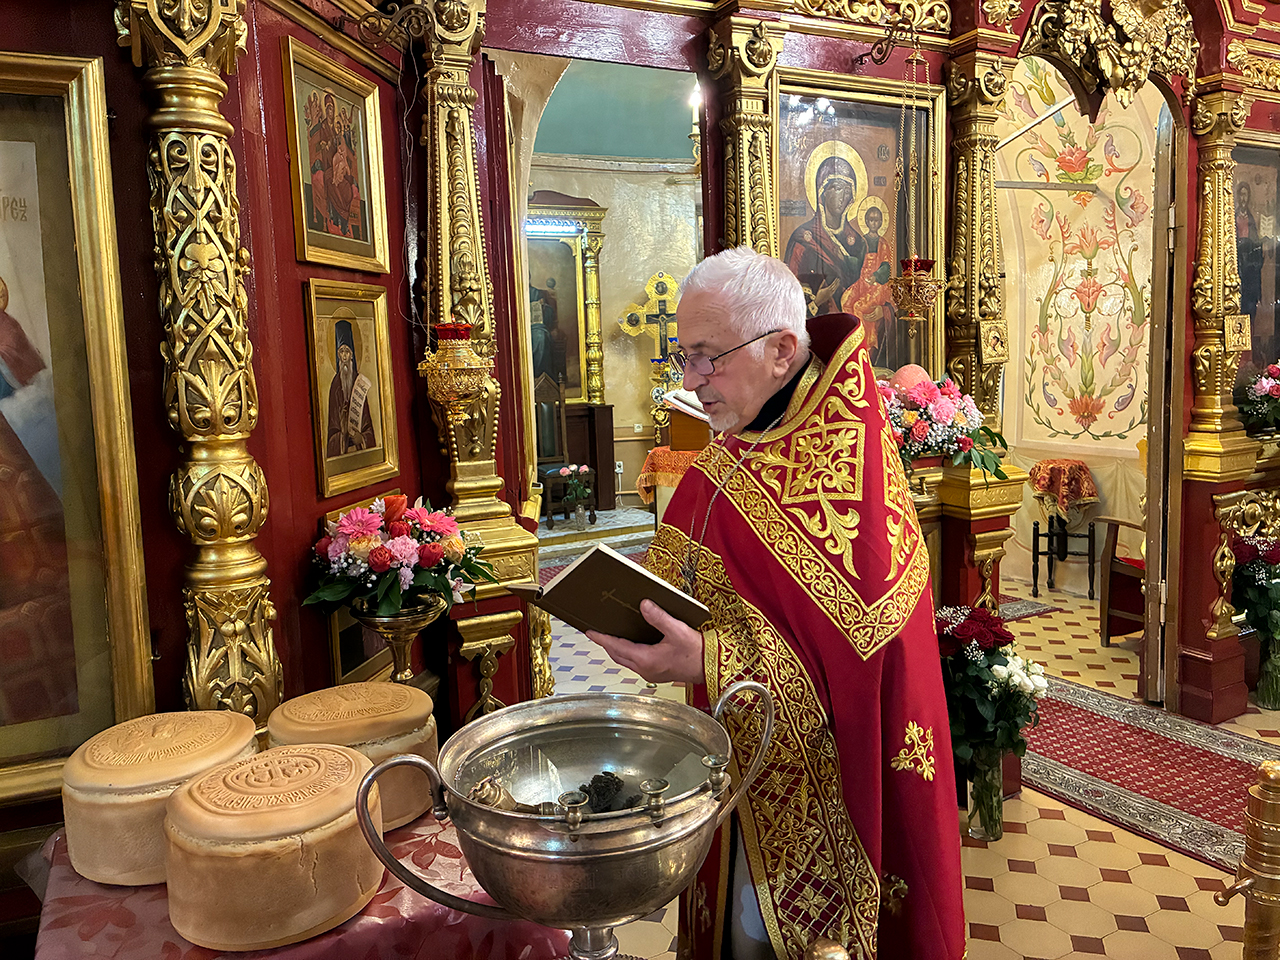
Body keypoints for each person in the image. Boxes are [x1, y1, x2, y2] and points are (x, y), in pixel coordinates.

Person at [588, 247, 964, 960]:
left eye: (707, 357)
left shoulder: (850, 460)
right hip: (733, 754)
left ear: (782, 351)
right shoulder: (741, 438)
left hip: (829, 787)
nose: (690, 381)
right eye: (684, 356)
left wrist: (710, 660)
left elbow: (863, 656)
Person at [783, 155, 868, 318]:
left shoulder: (858, 243)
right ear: (823, 191)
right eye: (837, 188)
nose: (842, 197)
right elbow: (789, 292)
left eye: (847, 190)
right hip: (814, 325)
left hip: (850, 326)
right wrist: (816, 301)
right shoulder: (803, 239)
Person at [326, 317, 375, 457]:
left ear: (352, 354)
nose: (344, 356)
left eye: (347, 351)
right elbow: (332, 430)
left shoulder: (359, 384)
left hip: (358, 449)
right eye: (341, 352)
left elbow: (367, 424)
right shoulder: (335, 386)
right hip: (343, 449)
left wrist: (362, 438)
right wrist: (342, 432)